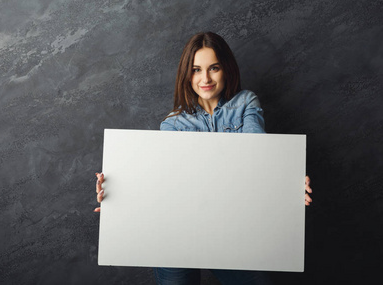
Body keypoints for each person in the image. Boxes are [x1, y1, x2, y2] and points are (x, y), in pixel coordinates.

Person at [94, 32, 313, 285]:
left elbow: (257, 160)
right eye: (197, 70)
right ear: (187, 74)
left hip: (234, 231)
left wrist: (289, 185)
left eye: (214, 68)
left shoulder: (245, 103)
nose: (205, 78)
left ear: (227, 69)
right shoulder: (173, 122)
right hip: (176, 235)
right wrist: (120, 203)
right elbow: (163, 184)